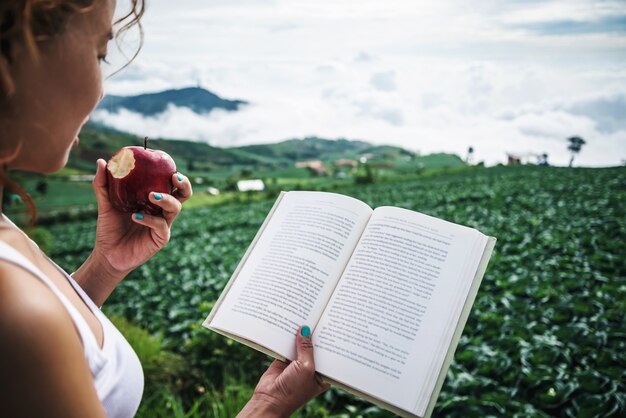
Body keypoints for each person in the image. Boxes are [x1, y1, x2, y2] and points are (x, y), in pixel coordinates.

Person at [0, 1, 328, 417]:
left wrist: (106, 266)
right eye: (100, 53)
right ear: (13, 57)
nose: (101, 89)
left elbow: (67, 335)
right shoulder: (12, 309)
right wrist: (269, 405)